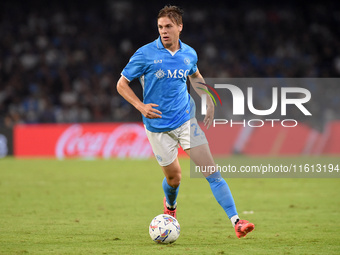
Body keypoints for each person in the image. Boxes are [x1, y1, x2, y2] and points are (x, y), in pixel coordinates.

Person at [117, 5, 254, 238]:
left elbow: (196, 76)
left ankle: (237, 222)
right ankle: (170, 207)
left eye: (168, 26)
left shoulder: (189, 53)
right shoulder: (145, 54)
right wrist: (141, 106)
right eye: (160, 27)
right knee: (174, 178)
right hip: (158, 128)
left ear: (180, 26)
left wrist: (208, 99)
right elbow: (121, 84)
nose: (164, 31)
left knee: (212, 171)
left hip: (185, 121)